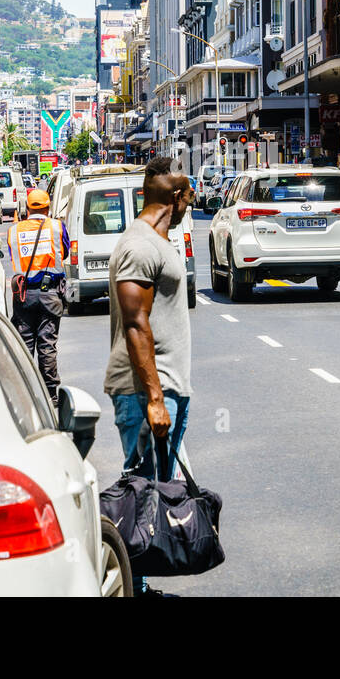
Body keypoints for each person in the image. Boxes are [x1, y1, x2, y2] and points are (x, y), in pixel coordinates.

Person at [105, 157, 195, 597]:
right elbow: (136, 322)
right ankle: (132, 588)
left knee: (153, 494)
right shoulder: (139, 246)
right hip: (144, 394)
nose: (189, 208)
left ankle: (139, 585)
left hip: (163, 390)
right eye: (189, 199)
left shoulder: (158, 240)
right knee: (139, 496)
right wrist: (155, 398)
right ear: (175, 198)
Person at [4, 190, 69, 405]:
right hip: (50, 294)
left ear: (28, 208)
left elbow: (14, 256)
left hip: (24, 295)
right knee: (47, 344)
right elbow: (64, 252)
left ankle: (23, 392)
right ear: (48, 208)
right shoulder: (57, 227)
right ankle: (50, 394)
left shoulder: (14, 230)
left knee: (24, 344)